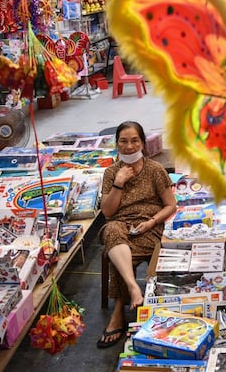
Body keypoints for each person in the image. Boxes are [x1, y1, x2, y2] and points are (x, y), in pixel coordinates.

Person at [97, 121, 176, 348]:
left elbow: (171, 205)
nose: (129, 146)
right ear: (117, 144)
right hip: (120, 225)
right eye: (124, 141)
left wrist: (151, 222)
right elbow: (108, 212)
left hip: (148, 227)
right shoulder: (111, 172)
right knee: (112, 230)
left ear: (143, 143)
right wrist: (119, 183)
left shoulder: (155, 170)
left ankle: (119, 311)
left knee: (120, 257)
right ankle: (133, 287)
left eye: (134, 140)